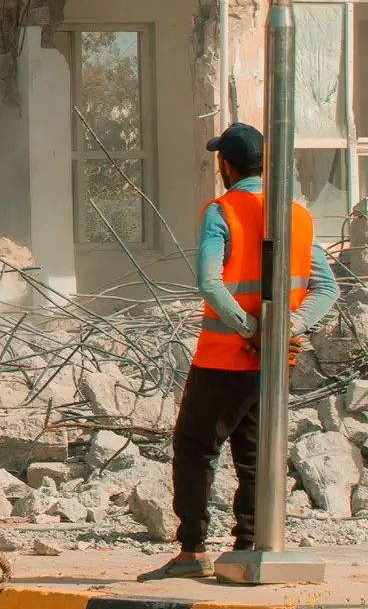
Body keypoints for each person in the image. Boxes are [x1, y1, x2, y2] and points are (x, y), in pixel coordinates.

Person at [143, 123, 338, 579]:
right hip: (273, 362)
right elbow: (325, 286)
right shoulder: (298, 215)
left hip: (223, 359)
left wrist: (251, 330)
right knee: (254, 457)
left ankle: (192, 551)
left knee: (194, 448)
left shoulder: (221, 211)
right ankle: (247, 547)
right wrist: (284, 329)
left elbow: (210, 282)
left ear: (225, 165)